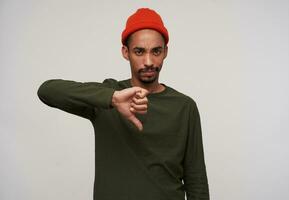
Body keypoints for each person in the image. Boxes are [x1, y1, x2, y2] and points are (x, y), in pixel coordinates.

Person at [37, 7, 209, 200]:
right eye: (139, 51)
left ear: (165, 52)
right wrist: (111, 99)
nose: (149, 61)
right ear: (125, 52)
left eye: (156, 51)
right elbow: (46, 91)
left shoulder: (184, 106)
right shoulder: (106, 96)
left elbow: (196, 181)